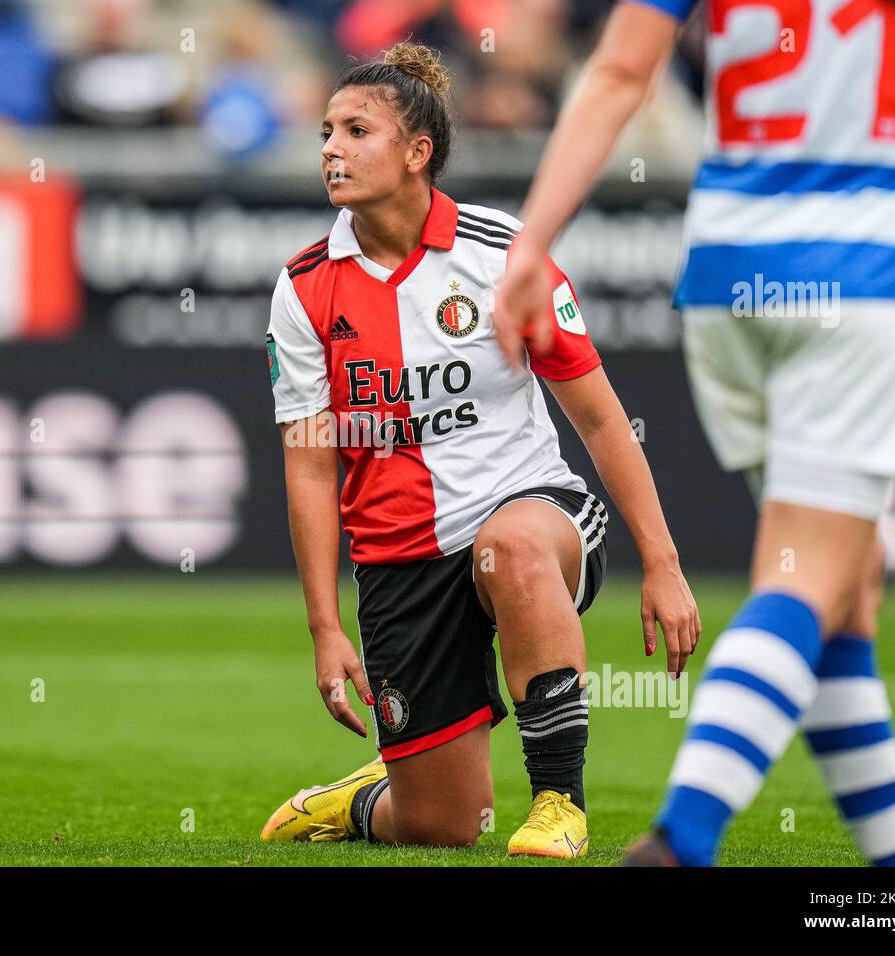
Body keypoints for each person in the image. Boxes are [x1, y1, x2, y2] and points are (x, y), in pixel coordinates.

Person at [494, 0, 895, 866]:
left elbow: (616, 71)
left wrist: (532, 243)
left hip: (730, 276)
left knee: (845, 588)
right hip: (861, 268)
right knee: (808, 580)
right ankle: (682, 838)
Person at [260, 41, 699, 856]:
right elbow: (312, 465)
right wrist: (325, 624)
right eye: (326, 130)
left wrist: (663, 565)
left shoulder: (504, 254)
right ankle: (365, 798)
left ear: (417, 152)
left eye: (356, 130)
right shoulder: (305, 288)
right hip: (399, 558)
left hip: (531, 511)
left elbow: (603, 421)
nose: (330, 147)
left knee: (511, 547)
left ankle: (559, 804)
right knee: (440, 827)